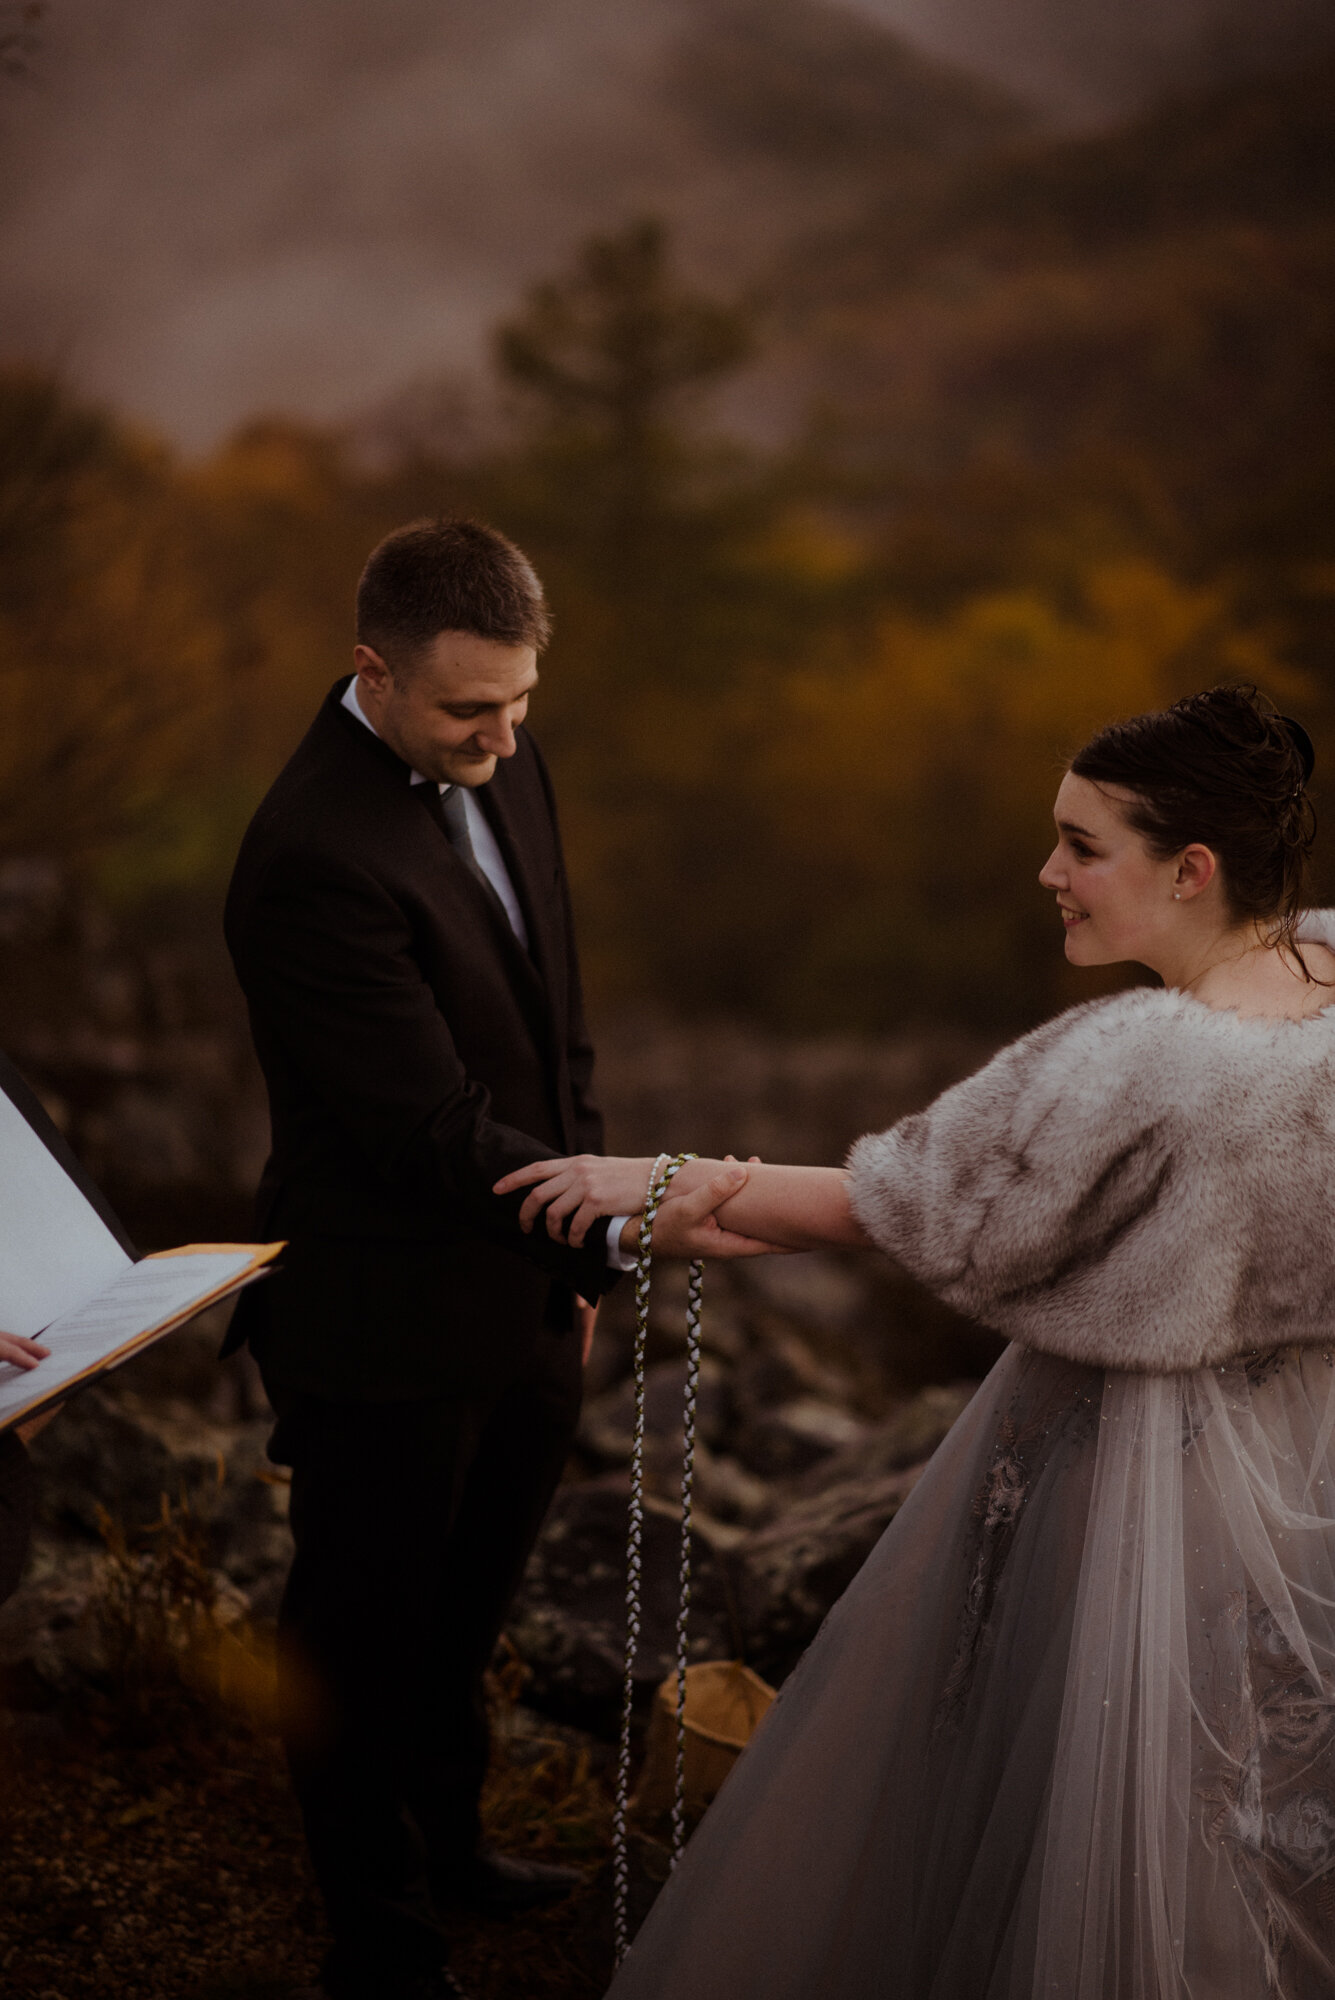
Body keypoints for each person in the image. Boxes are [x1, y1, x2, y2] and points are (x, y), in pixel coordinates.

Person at [500, 685, 1335, 1999]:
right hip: (1299, 1457)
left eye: (1081, 845)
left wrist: (652, 1180)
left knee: (1112, 1782)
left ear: (1191, 870)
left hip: (1149, 1474)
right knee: (1238, 1789)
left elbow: (900, 1206)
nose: (1046, 871)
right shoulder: (1323, 969)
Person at [223, 518, 633, 2000]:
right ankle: (378, 1943)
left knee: (464, 1616)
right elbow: (425, 1128)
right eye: (470, 710)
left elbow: (555, 1022)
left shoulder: (502, 752)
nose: (505, 737)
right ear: (371, 674)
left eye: (522, 703)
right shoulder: (309, 858)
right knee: (361, 1634)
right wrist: (616, 1214)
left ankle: (451, 1850)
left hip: (526, 1294)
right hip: (382, 1318)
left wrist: (575, 1280)